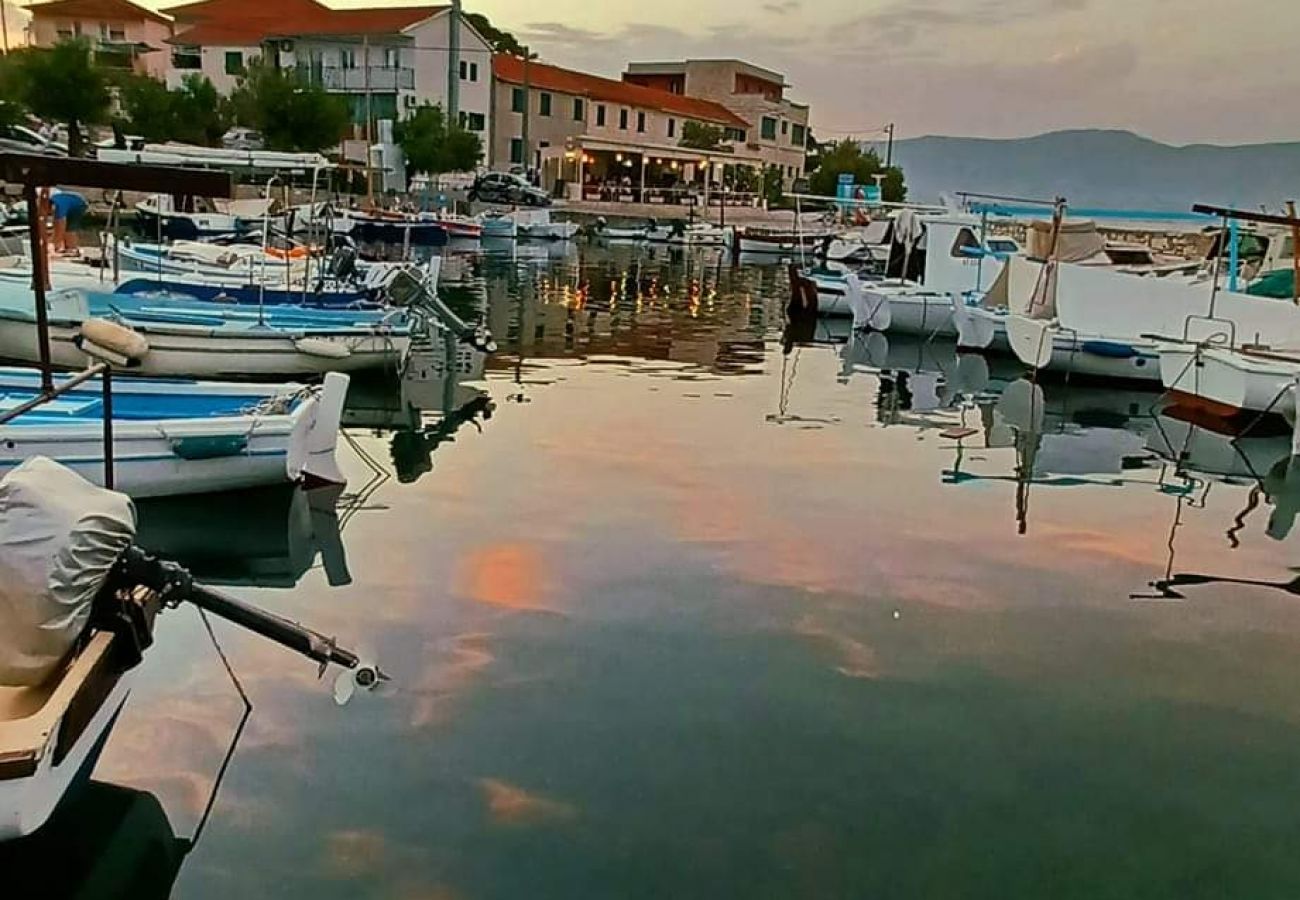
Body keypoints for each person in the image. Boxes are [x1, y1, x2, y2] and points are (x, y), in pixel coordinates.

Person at [47, 188, 88, 253]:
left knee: (67, 227)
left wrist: (52, 243)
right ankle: (69, 247)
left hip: (77, 202)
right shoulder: (57, 199)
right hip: (79, 201)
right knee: (69, 229)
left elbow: (60, 226)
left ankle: (67, 247)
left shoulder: (59, 203)